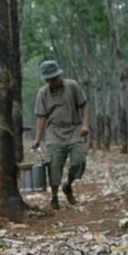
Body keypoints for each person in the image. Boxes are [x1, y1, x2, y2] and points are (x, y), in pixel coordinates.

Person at [31, 60, 89, 210]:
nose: (53, 82)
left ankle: (68, 185)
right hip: (54, 132)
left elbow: (84, 104)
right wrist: (38, 138)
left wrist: (85, 124)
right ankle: (54, 197)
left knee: (79, 161)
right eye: (49, 79)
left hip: (74, 128)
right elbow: (41, 117)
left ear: (59, 75)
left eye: (54, 78)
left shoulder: (72, 86)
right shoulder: (42, 94)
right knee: (54, 165)